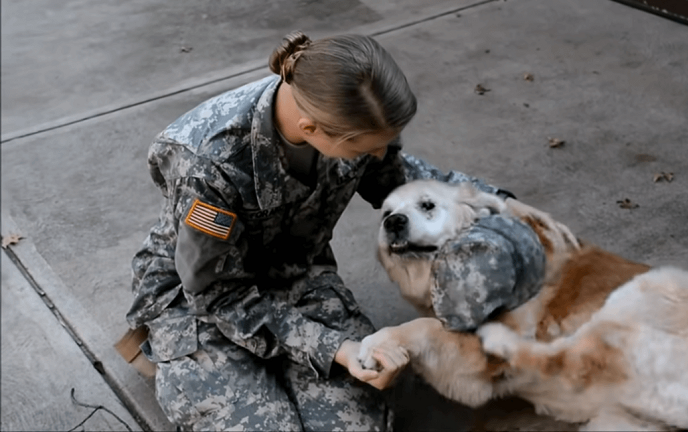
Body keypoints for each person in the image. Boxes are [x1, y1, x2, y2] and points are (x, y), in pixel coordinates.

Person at [125, 30, 516, 431]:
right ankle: (179, 360)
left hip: (297, 276)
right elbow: (216, 294)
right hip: (203, 300)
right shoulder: (210, 162)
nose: (378, 155)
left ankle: (270, 368)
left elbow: (397, 182)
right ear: (310, 129)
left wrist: (498, 205)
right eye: (365, 150)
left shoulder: (359, 113)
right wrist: (337, 349)